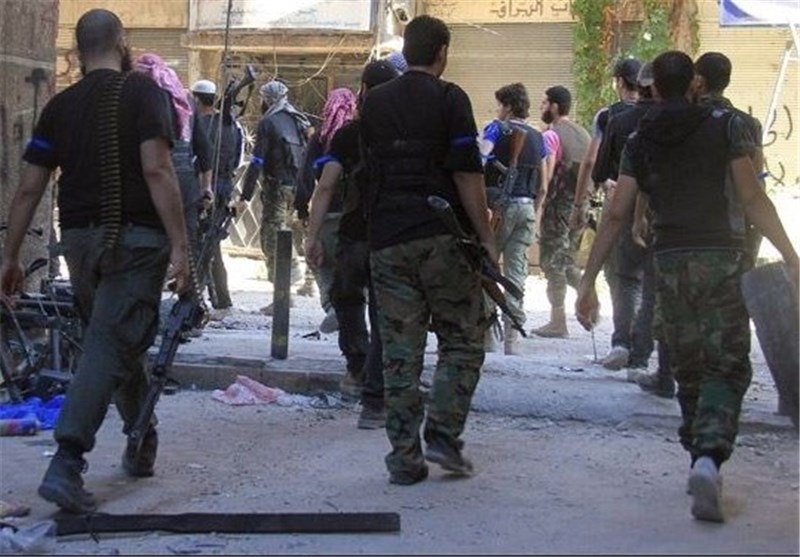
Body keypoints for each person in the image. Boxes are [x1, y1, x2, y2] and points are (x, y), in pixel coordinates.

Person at [575, 50, 798, 523]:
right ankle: (709, 458)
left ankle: (699, 455)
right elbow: (752, 196)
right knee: (727, 364)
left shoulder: (639, 137)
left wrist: (588, 280)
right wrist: (791, 256)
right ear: (694, 83)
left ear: (654, 88)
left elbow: (616, 213)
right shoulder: (726, 127)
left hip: (669, 261)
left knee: (688, 365)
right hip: (720, 256)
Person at [0, 8, 190, 513]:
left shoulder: (59, 106)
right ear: (122, 42)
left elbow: (29, 189)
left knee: (114, 338)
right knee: (110, 341)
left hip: (81, 245)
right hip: (136, 245)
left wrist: (10, 256)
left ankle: (141, 433)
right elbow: (158, 169)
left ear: (78, 51)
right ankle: (67, 459)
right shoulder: (145, 93)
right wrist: (181, 244)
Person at [360, 15, 496, 485]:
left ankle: (404, 457)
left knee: (400, 353)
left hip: (387, 239)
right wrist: (486, 238)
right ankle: (442, 432)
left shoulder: (374, 102)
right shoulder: (450, 98)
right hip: (442, 238)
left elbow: (367, 169)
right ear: (442, 52)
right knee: (462, 338)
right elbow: (467, 173)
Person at [305, 60, 400, 430]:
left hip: (354, 235)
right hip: (391, 237)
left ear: (363, 91)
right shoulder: (404, 134)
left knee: (347, 301)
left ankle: (357, 368)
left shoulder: (348, 135)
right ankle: (376, 397)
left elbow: (325, 186)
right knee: (383, 312)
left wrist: (312, 235)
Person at [594, 62, 674, 398]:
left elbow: (599, 170)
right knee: (653, 286)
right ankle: (641, 356)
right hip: (670, 217)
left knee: (626, 279)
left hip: (626, 209)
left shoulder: (620, 120)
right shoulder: (682, 122)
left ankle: (621, 342)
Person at [570, 58, 641, 367]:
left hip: (618, 201)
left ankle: (623, 341)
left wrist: (580, 204)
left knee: (622, 276)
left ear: (619, 82)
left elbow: (590, 162)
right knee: (648, 278)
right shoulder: (662, 113)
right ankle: (645, 350)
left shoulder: (609, 116)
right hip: (661, 208)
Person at [479, 82, 547, 355]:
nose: (497, 110)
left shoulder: (496, 129)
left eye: (499, 105)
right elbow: (543, 185)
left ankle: (487, 334)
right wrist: (535, 213)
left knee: (487, 268)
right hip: (526, 208)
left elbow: (479, 161)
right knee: (517, 271)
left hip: (498, 209)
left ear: (507, 107)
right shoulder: (538, 136)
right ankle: (512, 336)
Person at [236, 80, 311, 309]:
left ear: (268, 99)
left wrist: (245, 196)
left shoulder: (268, 122)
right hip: (295, 189)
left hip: (276, 190)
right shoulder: (296, 119)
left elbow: (257, 161)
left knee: (273, 241)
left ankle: (283, 296)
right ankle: (293, 286)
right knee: (285, 236)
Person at [134, 53, 213, 263]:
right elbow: (204, 148)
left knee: (152, 242)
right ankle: (186, 280)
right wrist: (206, 187)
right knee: (187, 242)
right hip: (186, 184)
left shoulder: (144, 100)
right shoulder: (186, 101)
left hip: (153, 183)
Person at [693, 51, 765, 269]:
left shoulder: (685, 118)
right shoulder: (749, 123)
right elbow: (757, 178)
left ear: (699, 80)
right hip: (734, 226)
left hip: (690, 227)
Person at [295, 87, 358, 333]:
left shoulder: (320, 139)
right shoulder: (359, 136)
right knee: (353, 267)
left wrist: (302, 209)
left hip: (326, 215)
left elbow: (306, 178)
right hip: (356, 215)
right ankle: (353, 312)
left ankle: (332, 305)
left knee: (321, 262)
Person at [530, 86, 590, 338]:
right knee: (567, 260)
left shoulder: (552, 135)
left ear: (554, 106)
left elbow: (548, 175)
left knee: (552, 262)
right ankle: (588, 294)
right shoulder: (583, 133)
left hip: (558, 206)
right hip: (582, 205)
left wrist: (538, 208)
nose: (541, 107)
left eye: (544, 103)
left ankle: (558, 321)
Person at [191, 77, 244, 317]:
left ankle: (212, 300)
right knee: (211, 245)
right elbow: (238, 160)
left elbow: (195, 159)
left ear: (196, 99)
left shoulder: (198, 124)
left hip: (204, 189)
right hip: (224, 187)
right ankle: (219, 299)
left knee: (204, 246)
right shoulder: (233, 126)